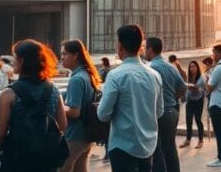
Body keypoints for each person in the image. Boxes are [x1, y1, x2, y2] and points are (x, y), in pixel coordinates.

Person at [0, 39, 68, 172]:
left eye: (15, 58)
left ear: (22, 61)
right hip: (45, 160)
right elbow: (62, 126)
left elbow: (0, 133)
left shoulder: (8, 94)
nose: (12, 61)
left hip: (17, 159)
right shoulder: (53, 90)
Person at [98, 24, 164, 172]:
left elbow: (103, 114)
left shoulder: (115, 75)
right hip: (148, 146)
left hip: (122, 146)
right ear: (140, 45)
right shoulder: (155, 75)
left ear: (120, 45)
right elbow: (159, 112)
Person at [60, 39, 103, 172]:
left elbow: (74, 112)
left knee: (63, 168)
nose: (62, 58)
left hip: (75, 134)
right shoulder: (87, 74)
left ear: (76, 55)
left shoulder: (77, 79)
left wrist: (59, 109)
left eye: (64, 54)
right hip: (86, 133)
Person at [145, 37, 186, 172]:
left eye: (145, 48)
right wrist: (173, 99)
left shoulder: (150, 68)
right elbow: (182, 87)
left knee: (157, 151)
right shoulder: (171, 66)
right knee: (170, 149)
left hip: (158, 113)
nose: (144, 51)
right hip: (172, 112)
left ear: (150, 49)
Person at [181, 60, 206, 149]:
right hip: (190, 101)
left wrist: (195, 88)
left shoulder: (201, 77)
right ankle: (188, 140)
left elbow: (202, 90)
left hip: (198, 101)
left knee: (198, 120)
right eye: (190, 67)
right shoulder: (190, 77)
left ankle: (200, 140)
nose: (192, 68)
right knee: (188, 120)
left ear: (197, 67)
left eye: (194, 66)